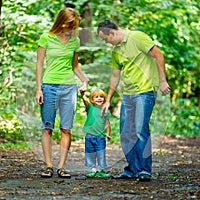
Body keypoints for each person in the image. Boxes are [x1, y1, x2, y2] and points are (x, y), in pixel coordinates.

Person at [97, 20, 171, 181]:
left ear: (112, 33)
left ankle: (144, 170)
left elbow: (158, 55)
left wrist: (162, 80)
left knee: (139, 130)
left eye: (105, 39)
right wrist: (108, 99)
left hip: (145, 92)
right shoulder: (116, 51)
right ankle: (132, 169)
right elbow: (115, 75)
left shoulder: (137, 37)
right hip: (128, 94)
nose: (106, 43)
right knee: (126, 132)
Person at [36, 7, 88, 179]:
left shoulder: (75, 41)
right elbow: (39, 64)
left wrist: (84, 80)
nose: (70, 29)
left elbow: (75, 66)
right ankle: (48, 165)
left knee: (66, 128)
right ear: (60, 22)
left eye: (73, 26)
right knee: (48, 128)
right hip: (49, 86)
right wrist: (38, 89)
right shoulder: (46, 38)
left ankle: (62, 167)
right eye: (68, 25)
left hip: (69, 88)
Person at [80, 89, 112, 178]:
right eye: (96, 97)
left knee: (101, 153)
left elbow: (107, 123)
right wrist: (82, 95)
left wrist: (108, 133)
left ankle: (101, 170)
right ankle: (92, 169)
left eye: (101, 97)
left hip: (100, 136)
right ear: (92, 99)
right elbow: (85, 101)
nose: (99, 99)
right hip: (89, 136)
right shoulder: (90, 107)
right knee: (90, 152)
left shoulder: (105, 110)